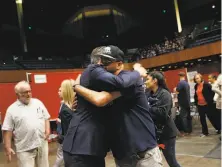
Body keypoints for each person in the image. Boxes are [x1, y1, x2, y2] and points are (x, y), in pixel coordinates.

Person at [72, 49, 162, 167]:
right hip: (122, 155)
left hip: (143, 153)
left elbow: (100, 99)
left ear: (119, 64)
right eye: (100, 60)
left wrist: (76, 86)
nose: (100, 64)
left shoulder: (129, 79)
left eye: (106, 61)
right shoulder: (106, 82)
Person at [2, 81, 50, 167]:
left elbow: (46, 117)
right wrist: (7, 147)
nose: (28, 94)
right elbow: (7, 130)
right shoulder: (12, 109)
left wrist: (47, 130)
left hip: (41, 144)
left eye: (29, 91)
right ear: (18, 94)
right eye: (25, 92)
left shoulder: (38, 103)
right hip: (25, 149)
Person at [146, 71, 181, 167]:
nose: (145, 82)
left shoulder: (165, 94)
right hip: (153, 134)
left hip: (166, 134)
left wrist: (147, 108)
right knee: (153, 162)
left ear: (155, 81)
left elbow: (162, 113)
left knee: (172, 162)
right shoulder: (147, 93)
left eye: (148, 79)